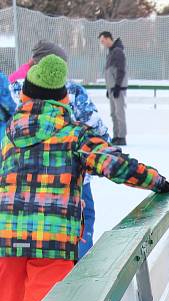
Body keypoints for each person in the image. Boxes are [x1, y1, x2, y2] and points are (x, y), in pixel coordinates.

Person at [0, 55, 169, 301]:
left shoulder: (9, 132)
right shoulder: (73, 134)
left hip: (6, 238)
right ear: (63, 98)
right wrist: (159, 182)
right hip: (53, 242)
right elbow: (116, 164)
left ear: (24, 94)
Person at [9, 40, 111, 260]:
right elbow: (95, 126)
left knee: (21, 240)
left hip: (14, 182)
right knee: (81, 224)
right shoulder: (71, 90)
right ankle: (76, 273)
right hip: (67, 181)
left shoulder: (12, 88)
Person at [98, 31, 127, 145]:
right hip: (112, 88)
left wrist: (117, 86)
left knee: (119, 113)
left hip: (118, 88)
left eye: (103, 41)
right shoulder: (111, 52)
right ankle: (116, 136)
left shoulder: (117, 52)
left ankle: (121, 136)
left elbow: (121, 70)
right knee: (113, 113)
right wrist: (109, 88)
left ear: (108, 38)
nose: (102, 44)